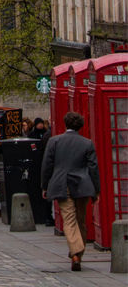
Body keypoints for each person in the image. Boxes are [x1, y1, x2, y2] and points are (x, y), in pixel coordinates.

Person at [41, 110, 100, 272]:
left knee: (69, 220)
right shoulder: (87, 143)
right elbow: (93, 168)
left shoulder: (54, 141)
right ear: (80, 126)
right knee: (80, 220)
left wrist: (45, 186)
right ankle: (78, 254)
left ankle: (75, 252)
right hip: (83, 185)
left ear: (65, 124)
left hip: (62, 184)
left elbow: (47, 166)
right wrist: (96, 191)